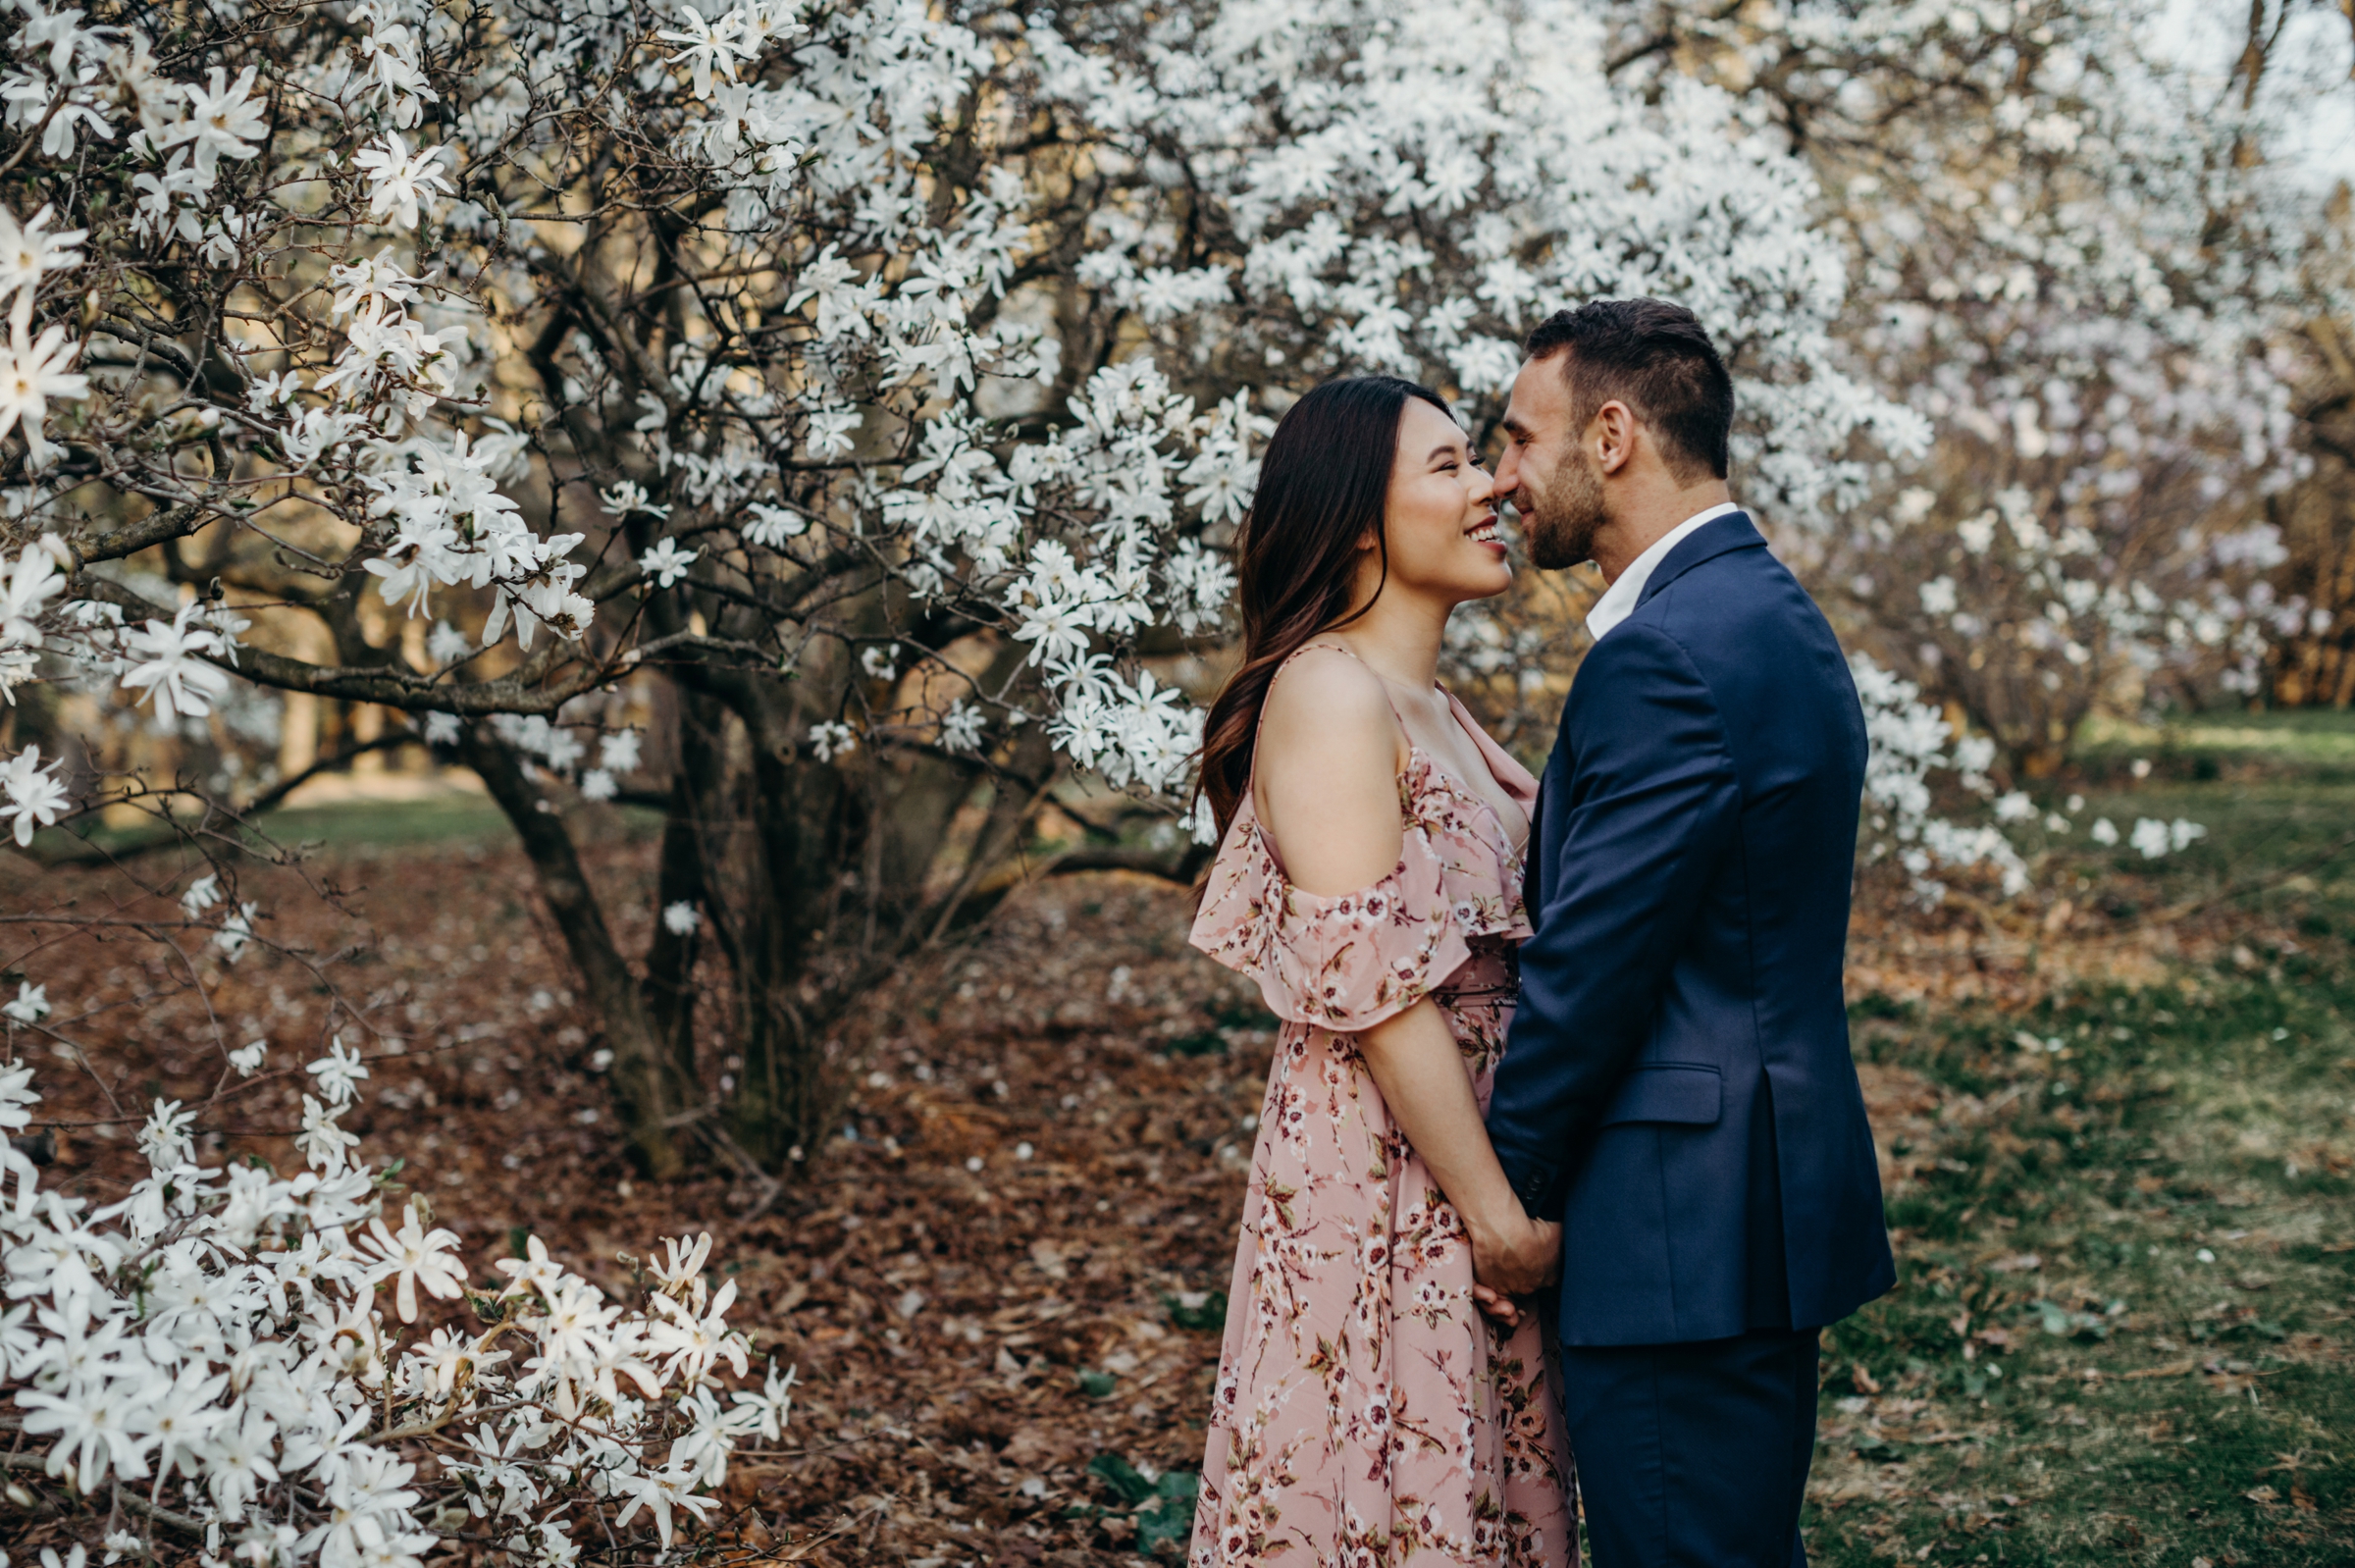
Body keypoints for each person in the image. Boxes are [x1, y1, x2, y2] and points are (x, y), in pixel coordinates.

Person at [1478, 298, 1897, 1568]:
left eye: (1514, 436)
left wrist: (1506, 1194)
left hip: (1676, 1231)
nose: (1501, 476)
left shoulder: (1663, 653)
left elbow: (1592, 968)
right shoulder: (1771, 618)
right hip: (1749, 1206)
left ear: (1610, 435)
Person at [1185, 375, 1575, 1567]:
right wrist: (1495, 1216)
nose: (1494, 487)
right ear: (1360, 519)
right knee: (1385, 1487)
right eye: (1451, 465)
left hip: (1466, 1149)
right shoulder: (1329, 692)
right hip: (1389, 1165)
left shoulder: (1433, 703)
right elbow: (1380, 989)